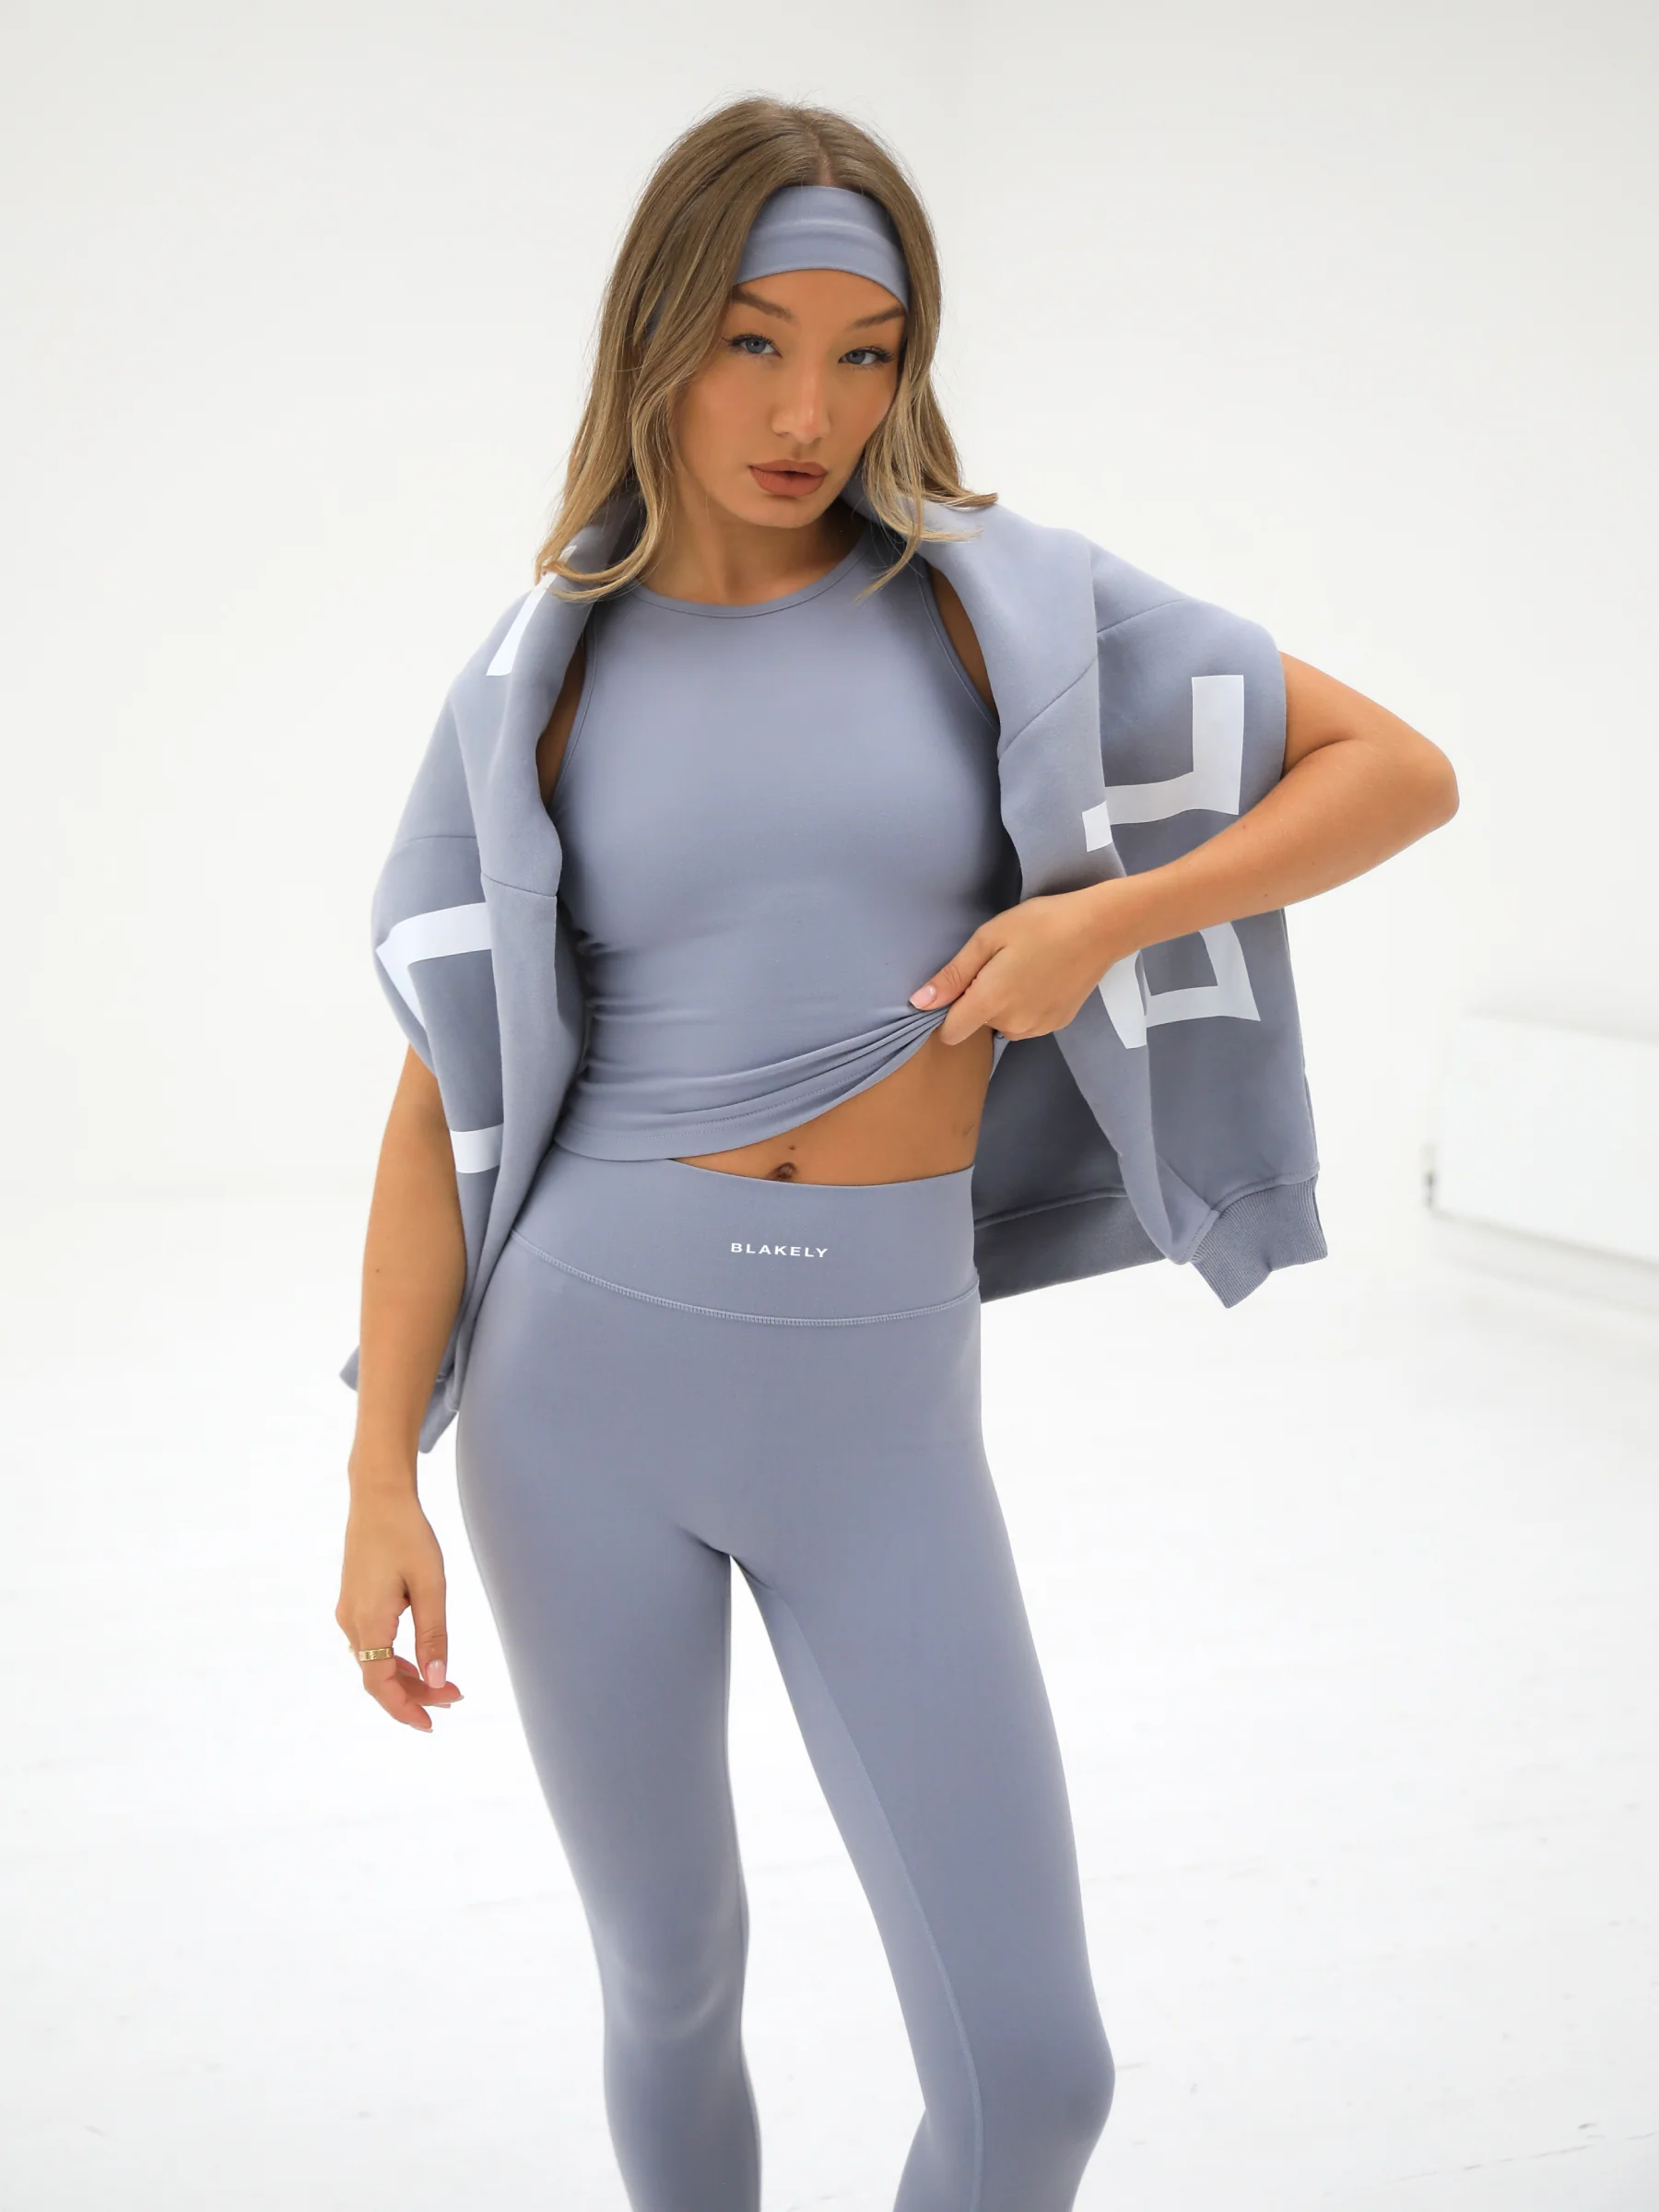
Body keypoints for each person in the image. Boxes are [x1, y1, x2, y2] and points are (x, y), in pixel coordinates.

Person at [334, 96, 1457, 2212]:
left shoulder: (993, 608)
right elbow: (436, 1099)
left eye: (868, 353)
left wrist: (1108, 920)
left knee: (1036, 2075)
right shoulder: (541, 675)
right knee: (671, 1976)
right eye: (754, 343)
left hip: (880, 1410)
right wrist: (378, 1470)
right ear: (657, 335)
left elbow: (1394, 769)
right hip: (578, 1399)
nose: (811, 412)